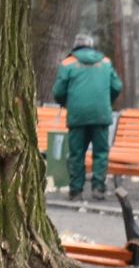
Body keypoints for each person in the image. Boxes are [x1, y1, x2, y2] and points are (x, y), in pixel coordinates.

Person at [52, 31, 123, 200]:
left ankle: (76, 190)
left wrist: (66, 102)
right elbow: (117, 86)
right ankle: (98, 188)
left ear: (76, 46)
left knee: (77, 153)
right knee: (100, 152)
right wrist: (106, 101)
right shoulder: (105, 62)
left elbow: (58, 91)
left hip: (77, 116)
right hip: (101, 115)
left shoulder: (68, 63)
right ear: (91, 46)